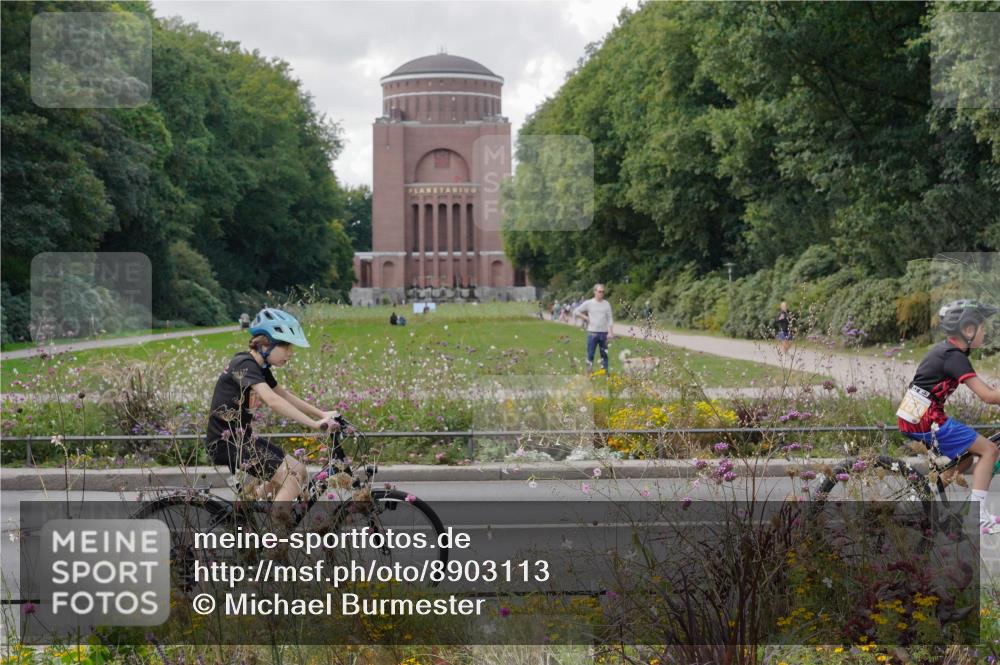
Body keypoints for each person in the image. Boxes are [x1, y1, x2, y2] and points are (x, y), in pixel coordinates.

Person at [204, 307, 339, 525]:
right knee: (292, 479)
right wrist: (315, 424)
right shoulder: (244, 365)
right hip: (226, 443)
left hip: (242, 440)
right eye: (285, 346)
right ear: (265, 343)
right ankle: (275, 546)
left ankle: (248, 503)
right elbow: (273, 400)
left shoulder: (259, 366)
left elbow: (283, 394)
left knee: (299, 470)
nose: (290, 353)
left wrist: (322, 414)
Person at [897, 300, 1000, 534]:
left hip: (915, 416)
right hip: (925, 418)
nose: (985, 332)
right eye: (982, 327)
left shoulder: (947, 351)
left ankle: (920, 498)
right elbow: (988, 396)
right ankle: (978, 517)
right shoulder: (954, 356)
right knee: (989, 450)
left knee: (963, 458)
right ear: (969, 330)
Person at [573, 284, 615, 373]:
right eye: (600, 291)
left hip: (604, 334)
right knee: (590, 355)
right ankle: (588, 373)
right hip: (592, 333)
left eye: (603, 292)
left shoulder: (606, 304)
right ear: (595, 292)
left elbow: (610, 318)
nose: (601, 293)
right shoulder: (589, 303)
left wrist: (610, 332)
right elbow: (576, 311)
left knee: (604, 355)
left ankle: (604, 373)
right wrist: (585, 317)